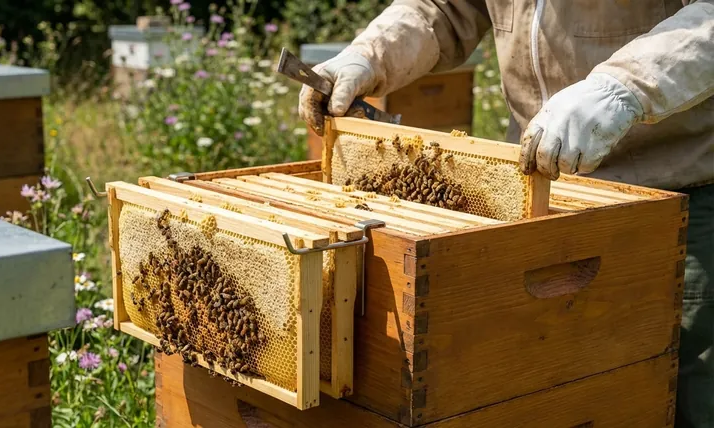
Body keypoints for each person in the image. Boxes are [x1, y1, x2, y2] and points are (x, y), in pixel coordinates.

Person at [297, 2, 714, 426]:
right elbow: (444, 7)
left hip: (674, 191)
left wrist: (624, 87)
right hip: (535, 189)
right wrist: (369, 54)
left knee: (684, 396)